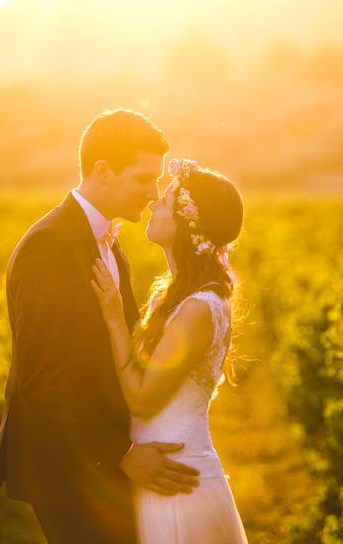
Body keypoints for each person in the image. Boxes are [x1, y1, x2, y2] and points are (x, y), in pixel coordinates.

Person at [0, 109, 201, 544]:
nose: (153, 193)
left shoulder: (107, 242)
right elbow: (44, 379)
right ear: (103, 172)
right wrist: (121, 455)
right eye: (144, 179)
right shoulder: (50, 245)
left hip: (97, 458)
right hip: (67, 465)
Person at [90, 157, 249, 543]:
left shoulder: (198, 308)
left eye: (166, 201)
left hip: (180, 480)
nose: (153, 204)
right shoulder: (181, 296)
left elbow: (143, 400)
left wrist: (113, 320)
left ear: (188, 222)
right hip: (164, 470)